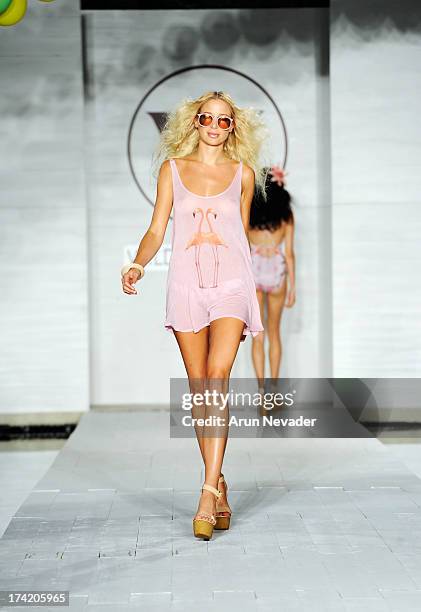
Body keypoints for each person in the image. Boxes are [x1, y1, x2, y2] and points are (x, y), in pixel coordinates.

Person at [120, 90, 269, 540]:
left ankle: (206, 489)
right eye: (208, 118)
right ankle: (220, 480)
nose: (215, 126)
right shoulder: (172, 171)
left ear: (234, 128)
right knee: (199, 384)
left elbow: (240, 235)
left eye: (225, 121)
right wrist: (138, 263)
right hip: (186, 284)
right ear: (194, 121)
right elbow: (155, 228)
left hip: (232, 283)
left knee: (218, 375)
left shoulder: (243, 174)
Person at [248, 165, 296, 393]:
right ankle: (274, 390)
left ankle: (261, 391)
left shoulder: (248, 212)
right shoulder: (286, 216)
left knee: (258, 336)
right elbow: (289, 253)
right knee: (274, 333)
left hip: (254, 268)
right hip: (277, 270)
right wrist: (293, 287)